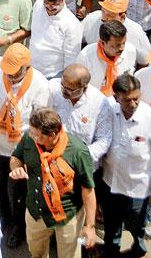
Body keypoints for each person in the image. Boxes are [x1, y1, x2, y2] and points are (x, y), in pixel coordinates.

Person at [8, 108, 98, 258]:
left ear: (52, 135)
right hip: (36, 211)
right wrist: (16, 168)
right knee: (36, 252)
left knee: (67, 255)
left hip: (67, 215)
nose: (31, 136)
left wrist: (90, 226)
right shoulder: (29, 139)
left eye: (37, 135)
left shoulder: (77, 151)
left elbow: (88, 190)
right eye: (31, 132)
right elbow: (15, 158)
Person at [0, 45, 51, 246]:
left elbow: (42, 122)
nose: (10, 77)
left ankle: (18, 228)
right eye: (7, 73)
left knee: (18, 190)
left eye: (15, 73)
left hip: (20, 147)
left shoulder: (40, 85)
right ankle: (3, 222)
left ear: (27, 68)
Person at [102, 74, 151, 258]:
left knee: (137, 225)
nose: (132, 104)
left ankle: (139, 249)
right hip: (111, 182)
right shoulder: (107, 109)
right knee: (111, 225)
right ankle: (111, 252)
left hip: (138, 187)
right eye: (127, 100)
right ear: (116, 97)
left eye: (136, 99)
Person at [26, 0, 83, 80]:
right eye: (47, 3)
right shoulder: (38, 5)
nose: (50, 7)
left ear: (63, 0)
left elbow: (71, 58)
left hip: (53, 75)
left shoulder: (72, 24)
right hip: (31, 69)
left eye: (55, 4)